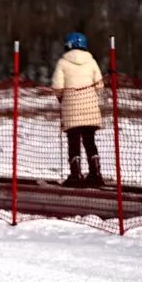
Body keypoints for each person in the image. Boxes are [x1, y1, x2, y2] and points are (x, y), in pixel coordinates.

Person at [52, 32, 105, 187]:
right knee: (90, 141)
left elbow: (57, 87)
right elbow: (100, 86)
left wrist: (62, 98)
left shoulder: (62, 62)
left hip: (71, 109)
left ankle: (76, 175)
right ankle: (95, 174)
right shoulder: (92, 61)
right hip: (90, 108)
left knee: (73, 142)